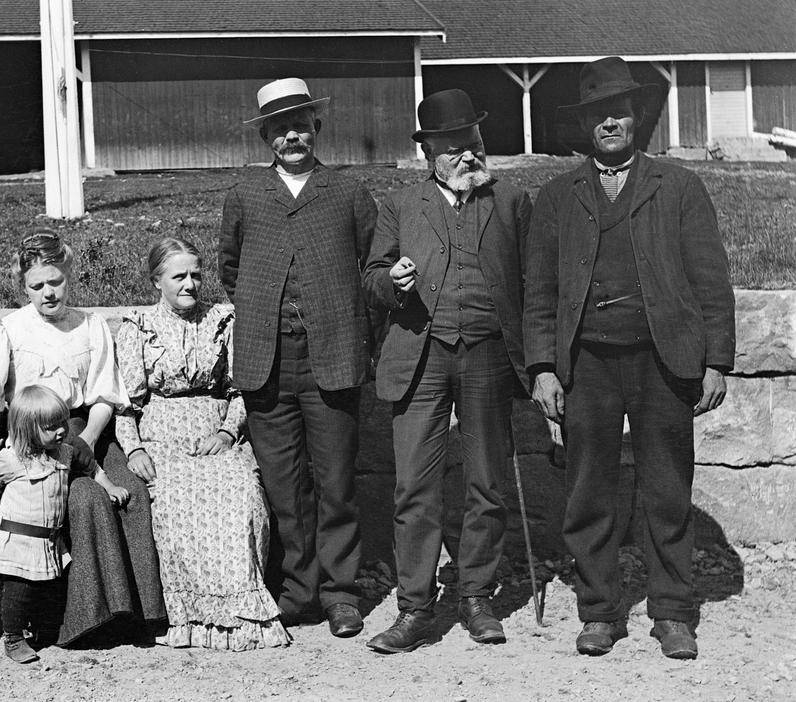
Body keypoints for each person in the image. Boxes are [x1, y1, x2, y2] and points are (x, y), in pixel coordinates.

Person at [524, 57, 736, 660]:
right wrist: (542, 366)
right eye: (597, 114)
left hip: (663, 362)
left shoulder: (679, 187)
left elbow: (710, 280)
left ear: (636, 116)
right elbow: (538, 289)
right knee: (588, 489)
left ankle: (672, 611)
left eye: (619, 110)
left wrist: (716, 359)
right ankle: (599, 610)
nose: (609, 122)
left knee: (667, 489)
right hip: (586, 363)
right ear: (585, 124)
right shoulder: (558, 196)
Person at [362, 89, 533, 653]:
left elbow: (534, 285)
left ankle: (478, 596)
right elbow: (372, 277)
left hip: (487, 354)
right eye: (456, 147)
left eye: (476, 144)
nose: (468, 157)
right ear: (429, 152)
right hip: (419, 353)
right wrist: (393, 282)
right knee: (415, 486)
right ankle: (415, 608)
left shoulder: (510, 201)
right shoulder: (401, 205)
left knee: (487, 480)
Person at [0, 231, 166, 647]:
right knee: (84, 498)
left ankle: (141, 614)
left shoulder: (90, 325)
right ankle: (85, 619)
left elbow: (106, 393)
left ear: (69, 276)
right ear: (23, 286)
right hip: (33, 439)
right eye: (37, 286)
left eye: (56, 281)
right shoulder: (9, 330)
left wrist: (86, 437)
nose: (48, 293)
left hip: (87, 430)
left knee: (132, 491)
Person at [219, 77, 374, 637]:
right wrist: (266, 313)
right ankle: (298, 591)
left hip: (331, 359)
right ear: (265, 136)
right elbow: (230, 270)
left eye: (300, 125)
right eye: (279, 128)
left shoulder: (347, 193)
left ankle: (341, 595)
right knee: (285, 487)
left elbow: (367, 264)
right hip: (267, 364)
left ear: (317, 129)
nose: (291, 135)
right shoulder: (244, 195)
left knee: (336, 484)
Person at [115, 238, 290, 650]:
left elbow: (242, 387)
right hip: (161, 435)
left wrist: (229, 432)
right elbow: (124, 402)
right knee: (175, 504)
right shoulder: (137, 327)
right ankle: (189, 617)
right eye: (179, 276)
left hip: (216, 432)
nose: (190, 284)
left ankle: (243, 614)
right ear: (157, 281)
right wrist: (135, 449)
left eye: (196, 274)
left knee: (243, 494)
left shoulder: (222, 320)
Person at [0, 385, 130, 663]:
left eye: (62, 422)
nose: (61, 430)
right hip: (18, 539)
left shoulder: (64, 453)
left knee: (44, 589)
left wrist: (108, 486)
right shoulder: (12, 460)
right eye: (51, 427)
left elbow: (90, 466)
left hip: (47, 541)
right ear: (27, 430)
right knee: (19, 590)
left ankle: (37, 631)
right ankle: (12, 638)